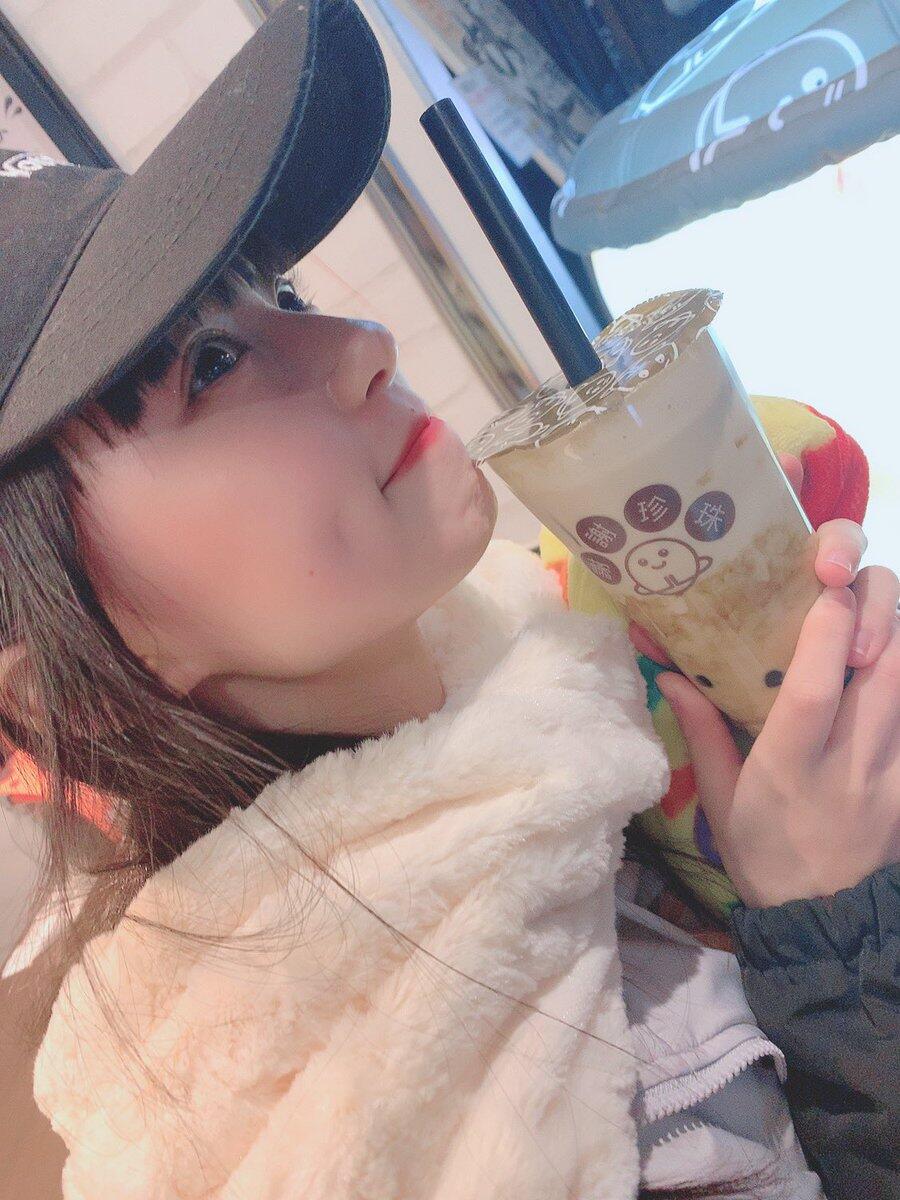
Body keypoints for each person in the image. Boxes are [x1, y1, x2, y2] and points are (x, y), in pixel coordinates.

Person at [0, 2, 895, 1198]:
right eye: (209, 365)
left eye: (280, 294)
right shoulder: (342, 1120)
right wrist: (837, 933)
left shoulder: (568, 657)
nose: (363, 338)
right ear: (82, 689)